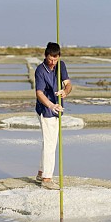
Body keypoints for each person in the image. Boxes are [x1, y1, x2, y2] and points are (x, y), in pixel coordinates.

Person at [35, 42, 72, 190]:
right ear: (45, 56)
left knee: (49, 142)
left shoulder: (61, 65)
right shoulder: (40, 70)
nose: (52, 63)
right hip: (46, 109)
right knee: (50, 144)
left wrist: (65, 92)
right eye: (50, 59)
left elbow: (68, 84)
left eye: (55, 59)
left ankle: (40, 172)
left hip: (58, 108)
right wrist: (51, 105)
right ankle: (47, 179)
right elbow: (39, 93)